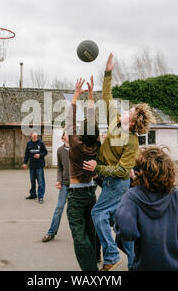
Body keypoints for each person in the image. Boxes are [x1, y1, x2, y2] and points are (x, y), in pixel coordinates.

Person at [83, 53, 155, 271]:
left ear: (132, 121)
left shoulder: (131, 141)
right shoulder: (115, 121)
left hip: (117, 183)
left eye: (130, 110)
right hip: (110, 182)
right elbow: (107, 96)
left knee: (97, 213)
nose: (126, 110)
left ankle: (112, 255)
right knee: (118, 223)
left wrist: (99, 168)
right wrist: (108, 72)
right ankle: (134, 262)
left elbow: (124, 170)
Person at [114, 146, 178, 271]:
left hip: (145, 265)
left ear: (141, 171)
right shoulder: (175, 194)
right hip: (176, 266)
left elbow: (127, 231)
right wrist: (169, 234)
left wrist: (145, 237)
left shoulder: (131, 196)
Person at [65, 76, 101, 271]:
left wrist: (76, 96)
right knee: (91, 230)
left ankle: (90, 272)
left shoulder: (76, 146)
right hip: (91, 193)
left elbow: (70, 119)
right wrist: (90, 95)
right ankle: (95, 259)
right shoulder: (96, 145)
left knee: (80, 237)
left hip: (77, 195)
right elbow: (92, 120)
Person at [42, 130, 70, 242]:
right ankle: (51, 233)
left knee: (74, 211)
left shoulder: (77, 149)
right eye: (67, 133)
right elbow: (60, 168)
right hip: (65, 184)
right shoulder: (60, 151)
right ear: (63, 137)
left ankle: (81, 235)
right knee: (59, 208)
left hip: (77, 185)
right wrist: (59, 180)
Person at [23, 130, 48, 204]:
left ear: (37, 136)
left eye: (36, 135)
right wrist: (25, 162)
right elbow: (27, 154)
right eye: (33, 135)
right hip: (32, 166)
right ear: (31, 135)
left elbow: (45, 152)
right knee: (32, 181)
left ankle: (40, 197)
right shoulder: (29, 143)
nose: (34, 136)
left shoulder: (41, 143)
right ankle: (33, 194)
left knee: (40, 182)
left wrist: (39, 155)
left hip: (39, 165)